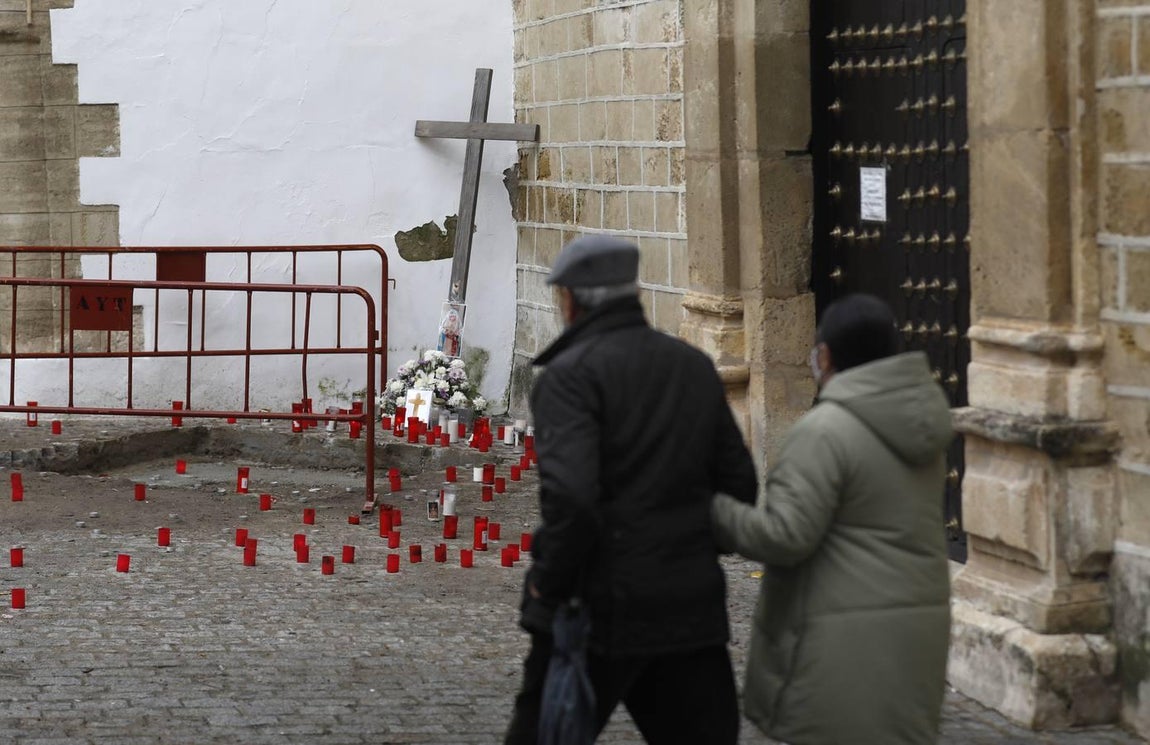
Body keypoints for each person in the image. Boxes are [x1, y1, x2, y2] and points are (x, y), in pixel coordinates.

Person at [505, 235, 757, 745]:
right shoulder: (691, 366)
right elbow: (741, 486)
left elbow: (572, 500)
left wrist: (546, 587)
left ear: (570, 300)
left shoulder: (568, 378)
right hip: (687, 602)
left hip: (599, 606)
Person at [711, 293, 954, 745]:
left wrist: (714, 509)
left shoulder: (825, 431)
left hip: (842, 646)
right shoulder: (921, 421)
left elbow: (784, 537)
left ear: (824, 354)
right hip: (913, 633)